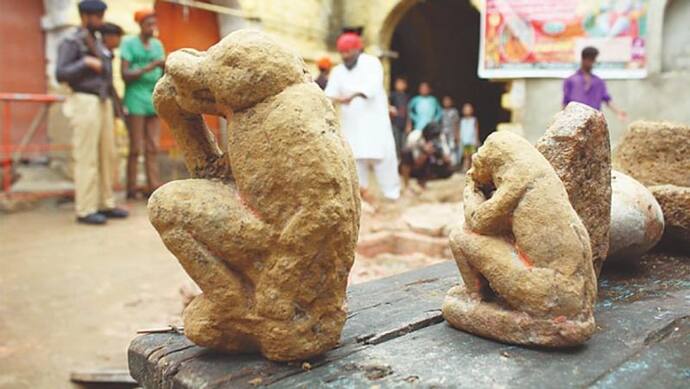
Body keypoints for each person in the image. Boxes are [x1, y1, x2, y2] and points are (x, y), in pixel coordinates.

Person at [56, 0, 128, 225]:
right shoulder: (71, 40)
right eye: (98, 17)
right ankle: (85, 209)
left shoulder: (98, 42)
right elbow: (61, 73)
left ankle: (105, 203)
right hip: (84, 100)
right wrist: (86, 62)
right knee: (87, 156)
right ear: (85, 16)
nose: (101, 21)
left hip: (103, 101)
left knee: (107, 155)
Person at [325, 32, 400, 203]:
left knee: (383, 159)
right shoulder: (338, 71)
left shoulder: (371, 63)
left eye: (348, 52)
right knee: (355, 160)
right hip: (352, 125)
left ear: (357, 50)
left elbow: (371, 87)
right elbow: (329, 93)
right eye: (342, 53)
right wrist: (335, 99)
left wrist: (353, 95)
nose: (345, 56)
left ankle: (391, 196)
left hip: (374, 122)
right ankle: (361, 198)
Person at [120, 8, 165, 199]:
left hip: (152, 98)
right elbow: (125, 75)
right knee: (135, 146)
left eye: (154, 24)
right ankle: (131, 188)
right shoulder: (129, 44)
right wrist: (151, 66)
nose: (152, 28)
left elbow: (163, 72)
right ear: (140, 25)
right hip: (135, 99)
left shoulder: (158, 45)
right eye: (149, 24)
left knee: (152, 146)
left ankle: (152, 186)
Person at [563, 46, 627, 121]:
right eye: (590, 60)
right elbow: (565, 103)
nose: (593, 63)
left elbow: (608, 100)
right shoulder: (571, 80)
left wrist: (618, 112)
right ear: (583, 59)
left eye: (594, 60)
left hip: (594, 122)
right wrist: (562, 119)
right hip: (574, 121)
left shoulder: (599, 82)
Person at [399, 122, 453, 190]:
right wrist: (425, 153)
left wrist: (441, 155)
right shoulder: (414, 137)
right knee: (406, 152)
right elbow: (416, 163)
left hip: (431, 165)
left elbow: (448, 159)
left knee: (449, 169)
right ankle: (407, 186)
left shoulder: (440, 137)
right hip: (414, 166)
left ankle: (424, 182)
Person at [388, 76, 409, 157]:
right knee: (395, 142)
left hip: (403, 124)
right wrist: (390, 108)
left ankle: (402, 161)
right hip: (395, 123)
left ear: (405, 85)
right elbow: (386, 103)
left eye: (401, 83)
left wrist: (408, 125)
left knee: (404, 144)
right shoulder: (393, 95)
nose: (398, 85)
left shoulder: (406, 97)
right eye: (397, 83)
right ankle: (396, 159)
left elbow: (408, 111)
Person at [440, 95, 460, 166]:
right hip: (443, 132)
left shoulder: (454, 111)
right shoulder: (441, 112)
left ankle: (453, 164)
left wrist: (457, 135)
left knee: (452, 148)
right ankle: (447, 164)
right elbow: (440, 123)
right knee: (445, 148)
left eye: (448, 101)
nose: (446, 102)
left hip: (452, 133)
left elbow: (456, 124)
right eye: (445, 101)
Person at [459, 103, 480, 172]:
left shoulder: (474, 120)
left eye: (468, 109)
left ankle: (472, 168)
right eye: (465, 110)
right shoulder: (462, 121)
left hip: (472, 141)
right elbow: (460, 130)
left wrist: (476, 140)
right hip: (464, 141)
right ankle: (465, 168)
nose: (467, 111)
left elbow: (476, 130)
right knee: (466, 155)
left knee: (472, 155)